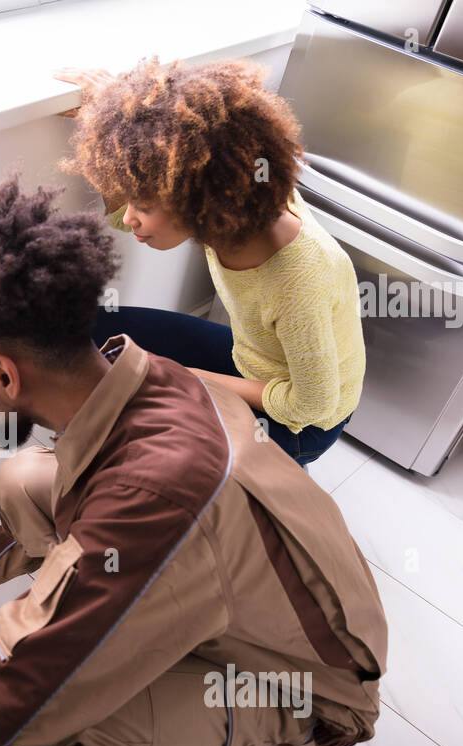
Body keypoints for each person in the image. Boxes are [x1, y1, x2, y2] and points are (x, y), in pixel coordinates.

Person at [0, 176, 387, 746]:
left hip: (303, 686)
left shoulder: (157, 497)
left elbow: (6, 700)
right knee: (25, 477)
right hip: (248, 601)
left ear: (6, 376)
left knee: (61, 726)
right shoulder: (145, 373)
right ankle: (99, 632)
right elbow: (81, 503)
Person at [52, 59, 366, 467]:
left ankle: (256, 478)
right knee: (83, 333)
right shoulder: (239, 198)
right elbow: (126, 214)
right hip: (251, 363)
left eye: (143, 204)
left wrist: (180, 375)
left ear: (199, 199)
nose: (130, 217)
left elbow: (310, 407)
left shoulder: (299, 281)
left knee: (139, 414)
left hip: (300, 426)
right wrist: (113, 109)